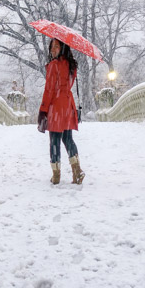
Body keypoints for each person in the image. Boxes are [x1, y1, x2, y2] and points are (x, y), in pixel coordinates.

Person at [38, 38, 85, 185]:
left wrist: (43, 109)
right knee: (68, 139)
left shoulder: (54, 65)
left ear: (63, 48)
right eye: (51, 47)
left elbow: (49, 90)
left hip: (56, 106)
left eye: (56, 46)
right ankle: (77, 171)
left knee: (55, 141)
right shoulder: (71, 65)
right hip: (68, 105)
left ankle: (56, 175)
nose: (53, 49)